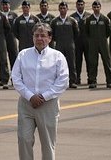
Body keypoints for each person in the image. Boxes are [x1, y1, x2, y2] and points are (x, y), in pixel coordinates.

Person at [11, 23, 69, 160]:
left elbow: (63, 81)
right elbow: (16, 78)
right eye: (36, 35)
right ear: (32, 37)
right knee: (24, 139)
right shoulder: (23, 55)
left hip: (48, 105)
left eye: (43, 35)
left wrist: (44, 96)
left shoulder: (57, 56)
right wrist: (30, 96)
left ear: (50, 38)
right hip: (27, 104)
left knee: (48, 144)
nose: (39, 38)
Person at [84, 0, 111, 89]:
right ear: (92, 8)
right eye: (94, 7)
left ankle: (109, 81)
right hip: (93, 43)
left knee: (107, 62)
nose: (96, 9)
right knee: (93, 63)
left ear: (100, 8)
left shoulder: (105, 19)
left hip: (103, 43)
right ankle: (93, 81)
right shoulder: (89, 19)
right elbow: (87, 32)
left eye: (98, 7)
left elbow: (108, 31)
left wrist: (103, 38)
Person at [50, 2, 79, 89]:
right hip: (59, 45)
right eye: (61, 8)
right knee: (58, 64)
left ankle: (73, 81)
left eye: (64, 8)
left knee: (71, 64)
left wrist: (71, 41)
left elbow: (76, 33)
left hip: (70, 45)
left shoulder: (72, 21)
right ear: (59, 9)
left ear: (67, 9)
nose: (62, 10)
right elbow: (52, 34)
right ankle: (59, 82)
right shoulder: (54, 21)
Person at [69, 0, 89, 85]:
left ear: (84, 5)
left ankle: (91, 78)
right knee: (77, 62)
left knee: (89, 61)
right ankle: (77, 78)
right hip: (77, 43)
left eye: (81, 4)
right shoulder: (72, 17)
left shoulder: (89, 16)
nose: (80, 6)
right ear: (76, 5)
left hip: (87, 42)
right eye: (78, 5)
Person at [2, 0, 19, 68]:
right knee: (3, 58)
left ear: (9, 5)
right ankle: (5, 77)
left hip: (11, 39)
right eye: (3, 5)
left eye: (6, 4)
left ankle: (14, 76)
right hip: (2, 39)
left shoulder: (14, 15)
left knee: (14, 57)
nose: (5, 6)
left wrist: (16, 36)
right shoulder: (0, 15)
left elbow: (18, 27)